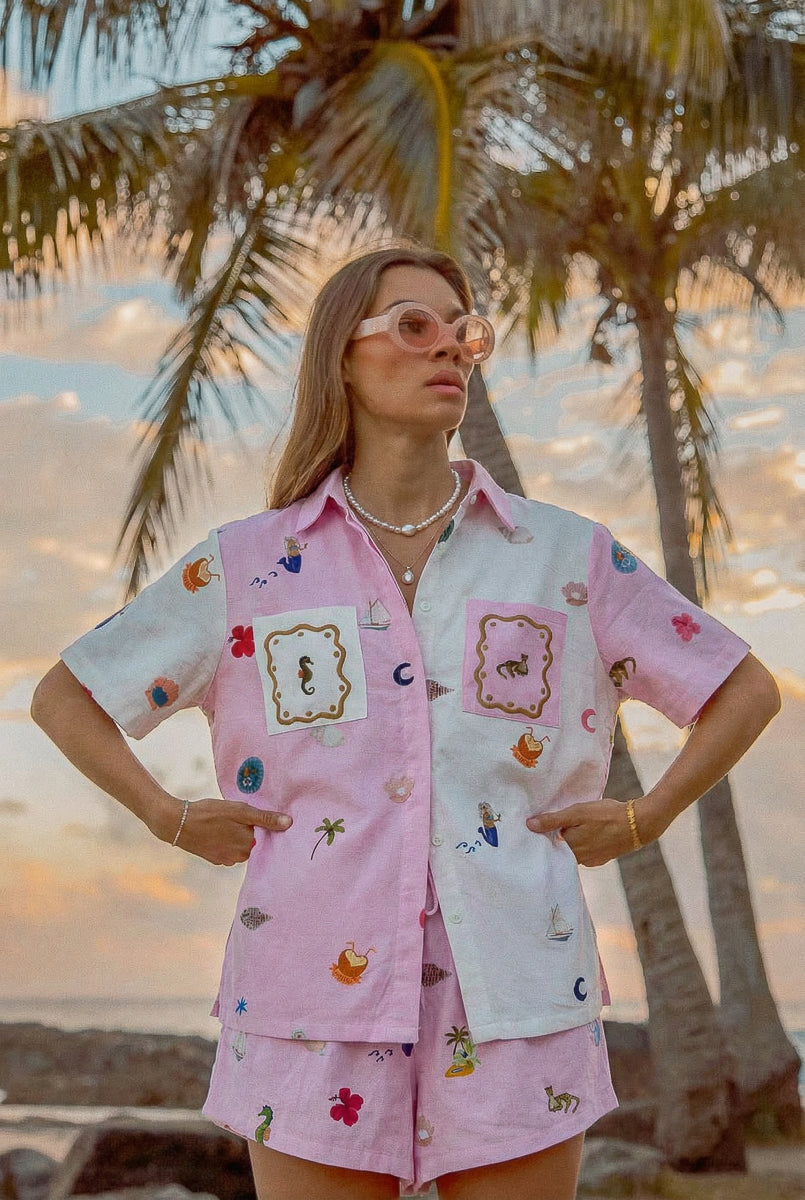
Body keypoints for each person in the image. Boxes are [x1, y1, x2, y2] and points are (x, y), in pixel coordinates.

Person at [31, 244, 780, 1200]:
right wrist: (166, 815)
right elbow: (68, 696)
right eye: (414, 326)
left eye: (465, 332)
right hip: (309, 998)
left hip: (517, 993)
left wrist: (647, 815)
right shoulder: (248, 566)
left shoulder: (562, 556)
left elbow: (740, 689)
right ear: (342, 356)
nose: (450, 348)